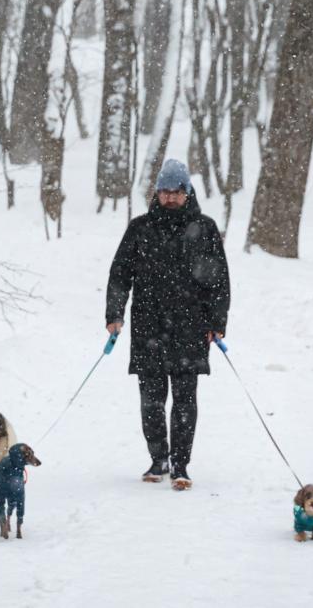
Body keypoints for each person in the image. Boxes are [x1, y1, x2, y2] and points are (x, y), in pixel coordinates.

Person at [105, 159, 231, 491]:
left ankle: (180, 465)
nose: (170, 197)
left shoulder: (204, 228)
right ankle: (158, 458)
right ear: (157, 192)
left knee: (185, 400)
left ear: (187, 192)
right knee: (151, 401)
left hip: (191, 327)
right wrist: (114, 314)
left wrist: (218, 321)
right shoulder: (140, 228)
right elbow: (120, 274)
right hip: (148, 327)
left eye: (176, 192)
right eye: (164, 191)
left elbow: (219, 281)